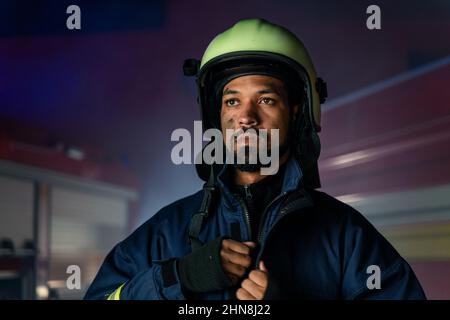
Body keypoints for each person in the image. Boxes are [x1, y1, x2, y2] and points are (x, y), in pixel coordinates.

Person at [84, 18, 426, 300]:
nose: (246, 116)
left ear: (298, 112)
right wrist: (177, 278)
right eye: (232, 101)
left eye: (265, 100)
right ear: (216, 116)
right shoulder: (163, 234)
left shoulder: (346, 239)